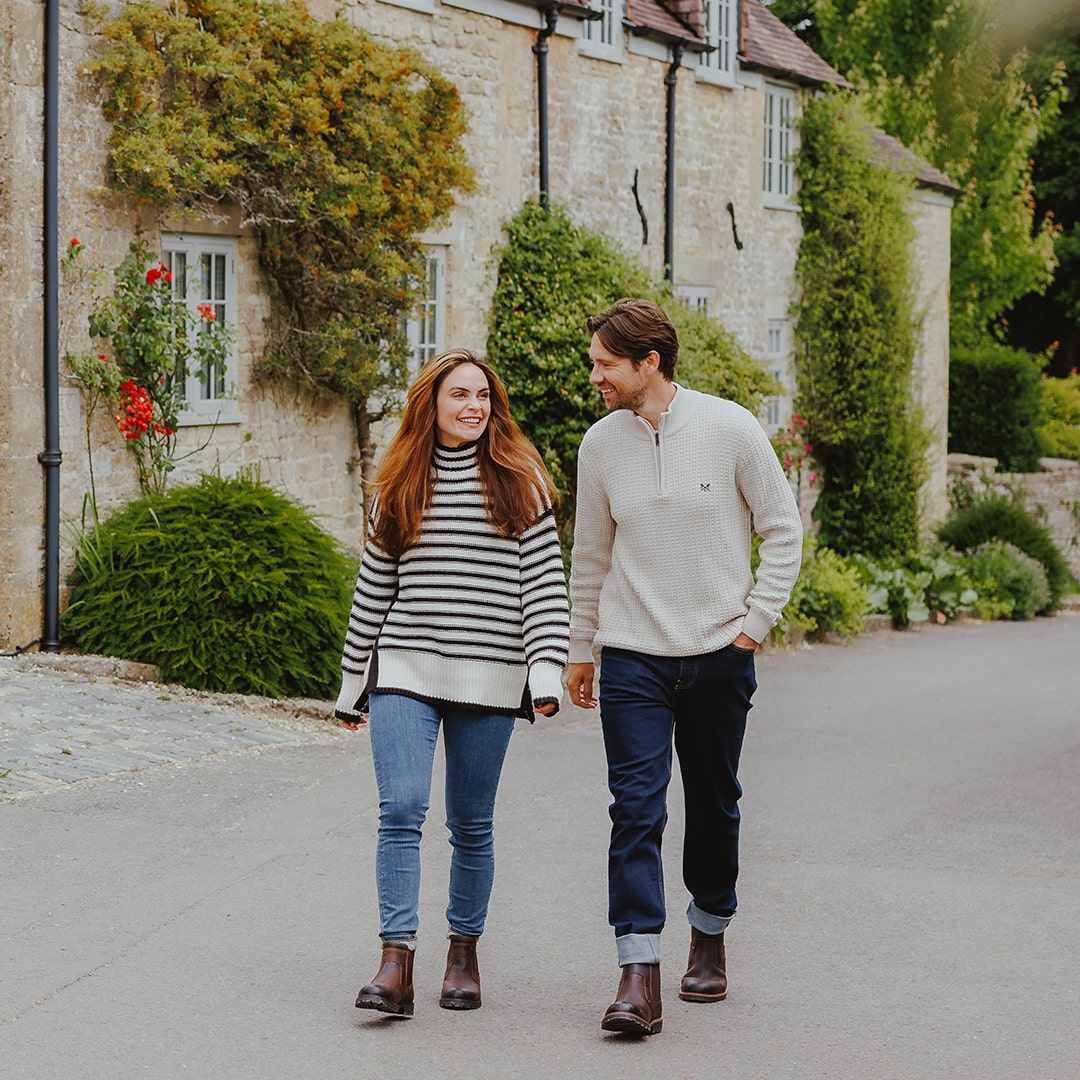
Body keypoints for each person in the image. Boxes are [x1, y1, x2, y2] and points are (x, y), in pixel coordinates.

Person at [566, 299, 802, 1036]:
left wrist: (753, 627)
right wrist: (582, 646)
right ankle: (638, 973)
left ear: (649, 363)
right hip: (634, 655)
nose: (595, 376)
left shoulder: (730, 428)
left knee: (713, 802)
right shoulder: (600, 446)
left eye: (606, 364)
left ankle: (709, 931)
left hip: (717, 653)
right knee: (635, 809)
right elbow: (591, 556)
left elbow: (783, 528)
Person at [335, 348, 569, 1018]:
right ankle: (395, 961)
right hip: (405, 665)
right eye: (459, 396)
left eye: (483, 397)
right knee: (401, 810)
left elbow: (545, 590)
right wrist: (353, 684)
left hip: (492, 674)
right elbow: (373, 590)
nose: (473, 408)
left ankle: (462, 952)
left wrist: (545, 671)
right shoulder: (400, 483)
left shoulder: (520, 482)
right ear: (430, 405)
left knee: (470, 823)